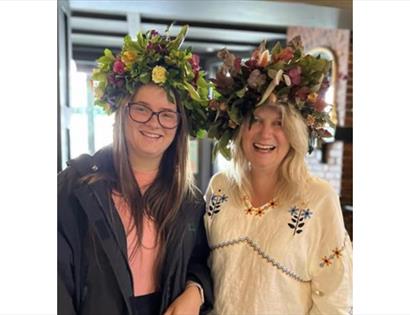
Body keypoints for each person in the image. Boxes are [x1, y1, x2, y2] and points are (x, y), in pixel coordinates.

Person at [58, 25, 214, 315]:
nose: (154, 122)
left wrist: (196, 290)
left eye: (167, 114)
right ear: (121, 112)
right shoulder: (75, 186)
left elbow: (201, 260)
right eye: (141, 108)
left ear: (179, 126)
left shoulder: (188, 201)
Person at [204, 37, 352, 314]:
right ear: (239, 128)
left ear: (296, 132)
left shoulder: (319, 199)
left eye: (279, 123)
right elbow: (202, 265)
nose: (265, 134)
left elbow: (335, 296)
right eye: (256, 120)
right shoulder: (219, 186)